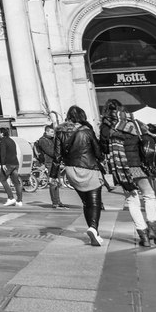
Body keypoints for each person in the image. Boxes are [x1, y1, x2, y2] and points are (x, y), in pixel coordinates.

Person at [101, 98, 156, 247]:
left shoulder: (106, 126)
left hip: (120, 168)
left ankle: (143, 235)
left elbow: (103, 148)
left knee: (132, 200)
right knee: (149, 195)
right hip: (138, 166)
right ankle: (153, 229)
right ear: (122, 108)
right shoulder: (134, 122)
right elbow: (148, 140)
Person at [55, 105, 105, 246]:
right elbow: (98, 152)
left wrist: (53, 175)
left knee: (85, 203)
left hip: (71, 170)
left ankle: (94, 233)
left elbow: (57, 155)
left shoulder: (60, 132)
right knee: (94, 203)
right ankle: (93, 228)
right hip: (89, 169)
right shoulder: (87, 131)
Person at [33, 125, 66, 209]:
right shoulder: (43, 140)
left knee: (56, 183)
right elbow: (50, 152)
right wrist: (59, 154)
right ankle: (55, 202)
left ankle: (58, 201)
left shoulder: (52, 139)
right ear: (46, 132)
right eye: (51, 132)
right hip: (49, 163)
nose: (53, 133)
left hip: (55, 163)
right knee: (52, 183)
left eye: (53, 132)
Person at [0, 128, 24, 207]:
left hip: (8, 164)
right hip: (15, 163)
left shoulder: (3, 141)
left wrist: (3, 164)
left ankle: (11, 197)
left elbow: (3, 153)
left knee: (2, 179)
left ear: (2, 133)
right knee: (16, 182)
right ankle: (19, 200)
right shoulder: (12, 141)